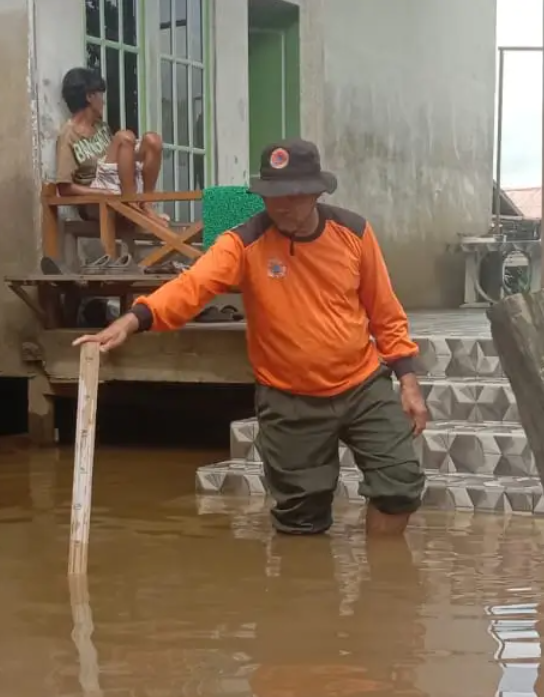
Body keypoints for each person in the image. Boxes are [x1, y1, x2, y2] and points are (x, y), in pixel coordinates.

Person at [73, 138, 428, 537]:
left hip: (362, 385)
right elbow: (191, 287)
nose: (282, 206)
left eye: (292, 196)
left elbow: (385, 311)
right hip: (289, 397)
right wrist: (132, 320)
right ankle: (308, 594)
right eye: (272, 196)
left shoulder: (354, 233)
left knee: (399, 484)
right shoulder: (243, 243)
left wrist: (408, 381)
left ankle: (380, 587)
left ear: (315, 192)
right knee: (301, 516)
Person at [54, 67, 165, 225]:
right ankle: (132, 205)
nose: (103, 101)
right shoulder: (68, 135)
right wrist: (101, 193)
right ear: (90, 97)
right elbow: (64, 188)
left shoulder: (101, 127)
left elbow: (115, 163)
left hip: (117, 185)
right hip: (96, 198)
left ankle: (146, 204)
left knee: (152, 140)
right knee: (124, 138)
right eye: (100, 95)